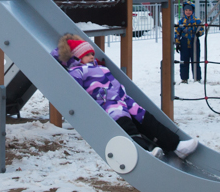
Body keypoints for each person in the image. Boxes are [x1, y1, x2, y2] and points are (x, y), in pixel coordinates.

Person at [55, 33, 198, 159]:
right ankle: (141, 151)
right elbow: (73, 89)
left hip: (123, 100)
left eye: (92, 53)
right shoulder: (78, 71)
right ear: (76, 57)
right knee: (126, 125)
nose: (92, 56)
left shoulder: (101, 67)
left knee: (147, 120)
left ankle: (176, 145)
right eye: (87, 55)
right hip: (107, 105)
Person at [174, 2, 204, 83]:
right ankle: (184, 78)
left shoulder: (197, 21)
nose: (188, 12)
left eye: (189, 10)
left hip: (194, 42)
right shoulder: (181, 22)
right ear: (183, 11)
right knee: (184, 61)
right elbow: (177, 32)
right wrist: (177, 43)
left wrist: (199, 33)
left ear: (192, 11)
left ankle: (197, 78)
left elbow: (202, 29)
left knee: (195, 60)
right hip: (184, 42)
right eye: (186, 10)